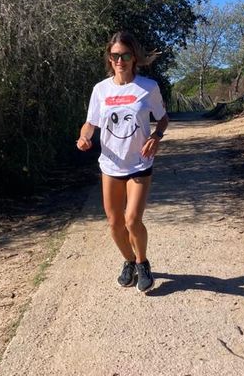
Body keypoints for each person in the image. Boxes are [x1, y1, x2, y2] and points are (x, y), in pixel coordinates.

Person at [76, 31, 169, 293]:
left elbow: (162, 118)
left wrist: (157, 136)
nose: (120, 60)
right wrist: (84, 138)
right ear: (109, 58)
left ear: (134, 58)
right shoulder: (100, 90)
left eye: (125, 55)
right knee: (114, 223)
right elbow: (90, 123)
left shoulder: (148, 87)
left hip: (139, 163)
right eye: (115, 55)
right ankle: (128, 261)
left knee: (131, 220)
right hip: (110, 164)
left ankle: (142, 262)